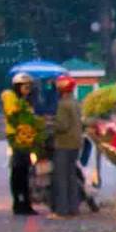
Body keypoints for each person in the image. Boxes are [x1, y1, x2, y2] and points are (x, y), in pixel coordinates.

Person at [2, 72, 38, 215]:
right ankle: (18, 203)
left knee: (25, 172)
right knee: (17, 171)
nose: (27, 89)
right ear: (17, 87)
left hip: (27, 140)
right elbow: (13, 115)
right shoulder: (9, 96)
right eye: (25, 86)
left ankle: (26, 203)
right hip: (16, 139)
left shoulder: (26, 101)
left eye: (29, 86)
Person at [49, 75, 84, 216]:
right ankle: (73, 208)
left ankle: (62, 210)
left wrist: (51, 123)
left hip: (64, 144)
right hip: (75, 143)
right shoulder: (75, 102)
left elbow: (62, 126)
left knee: (61, 178)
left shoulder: (63, 104)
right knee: (71, 177)